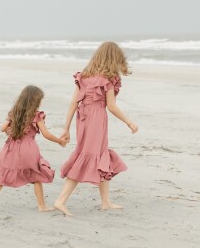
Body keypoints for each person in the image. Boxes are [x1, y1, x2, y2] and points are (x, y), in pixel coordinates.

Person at [53, 41, 138, 216]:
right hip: (96, 118)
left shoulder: (84, 76)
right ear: (113, 59)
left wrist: (66, 128)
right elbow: (111, 107)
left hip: (82, 118)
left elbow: (73, 103)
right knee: (88, 156)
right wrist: (129, 122)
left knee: (100, 155)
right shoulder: (107, 79)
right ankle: (60, 201)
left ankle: (105, 202)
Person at [0, 85, 66, 213]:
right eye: (39, 101)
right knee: (36, 175)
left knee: (2, 175)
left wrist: (11, 132)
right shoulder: (36, 115)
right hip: (28, 148)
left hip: (11, 147)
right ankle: (41, 206)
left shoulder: (14, 112)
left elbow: (2, 128)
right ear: (35, 101)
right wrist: (59, 140)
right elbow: (46, 134)